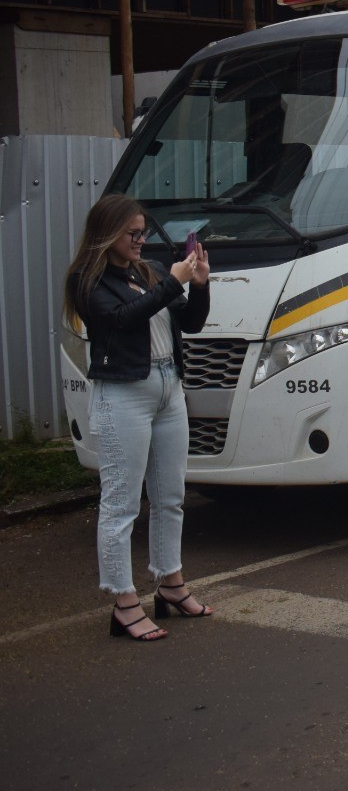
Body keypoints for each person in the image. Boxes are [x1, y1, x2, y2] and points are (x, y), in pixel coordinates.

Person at [63, 194, 213, 642]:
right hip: (124, 393)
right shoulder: (86, 280)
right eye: (132, 233)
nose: (140, 241)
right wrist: (172, 282)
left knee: (170, 496)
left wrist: (199, 284)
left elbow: (191, 323)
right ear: (106, 233)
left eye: (143, 232)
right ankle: (124, 602)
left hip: (168, 387)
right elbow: (121, 321)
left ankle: (171, 583)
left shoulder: (146, 272)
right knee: (121, 503)